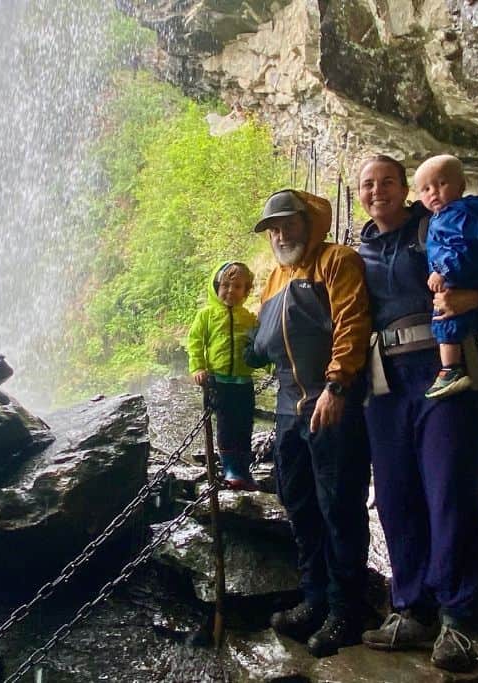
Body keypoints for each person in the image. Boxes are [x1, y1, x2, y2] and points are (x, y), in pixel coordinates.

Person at [356, 155, 478, 673]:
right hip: (385, 381)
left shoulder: (438, 228)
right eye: (367, 184)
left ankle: (457, 618)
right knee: (397, 496)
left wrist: (476, 295)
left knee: (449, 490)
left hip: (446, 369)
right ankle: (412, 607)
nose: (377, 191)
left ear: (406, 189)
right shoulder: (358, 250)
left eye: (387, 182)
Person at [245, 189, 373, 657]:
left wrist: (338, 385)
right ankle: (314, 598)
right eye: (273, 229)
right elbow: (263, 344)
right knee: (298, 502)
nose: (280, 234)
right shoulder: (275, 278)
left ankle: (346, 611)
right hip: (287, 406)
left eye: (287, 224)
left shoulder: (337, 261)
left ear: (308, 222)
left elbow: (351, 323)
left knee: (338, 505)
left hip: (330, 402)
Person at [413, 154, 478, 398]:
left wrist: (445, 272)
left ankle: (450, 369)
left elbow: (463, 247)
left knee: (444, 320)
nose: (433, 193)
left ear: (460, 186)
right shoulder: (452, 216)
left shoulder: (455, 216)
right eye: (426, 189)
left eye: (441, 184)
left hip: (454, 281)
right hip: (468, 278)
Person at [185, 261, 260, 490]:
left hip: (243, 381)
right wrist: (198, 368)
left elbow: (258, 346)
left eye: (237, 286)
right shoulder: (207, 315)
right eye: (226, 285)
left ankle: (243, 469)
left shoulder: (248, 318)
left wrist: (271, 366)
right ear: (216, 287)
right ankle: (230, 468)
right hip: (219, 382)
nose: (230, 291)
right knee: (226, 425)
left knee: (244, 423)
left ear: (246, 291)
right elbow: (196, 342)